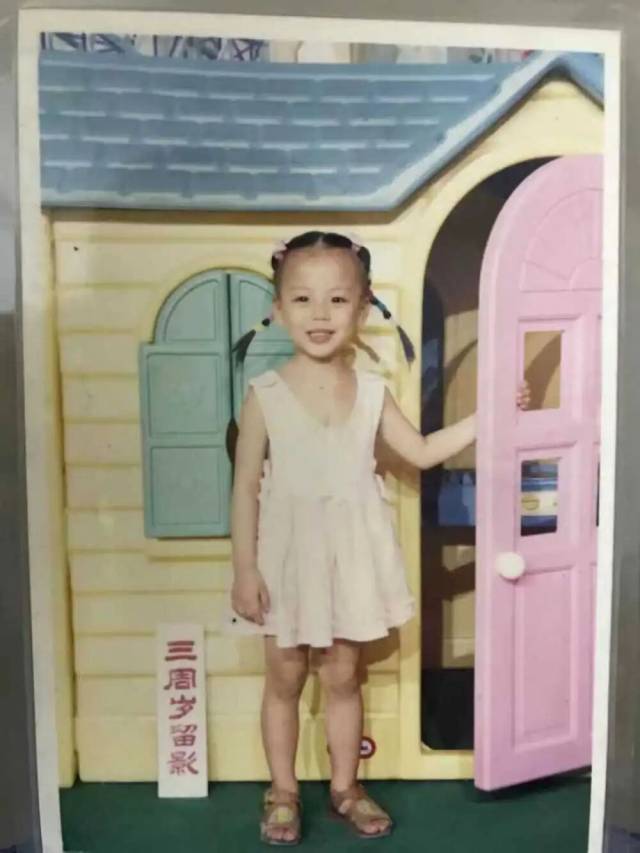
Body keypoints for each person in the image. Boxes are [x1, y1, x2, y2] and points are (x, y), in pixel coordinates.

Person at [229, 231, 530, 845]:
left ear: (362, 309)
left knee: (343, 676)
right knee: (284, 677)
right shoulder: (265, 394)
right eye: (303, 299)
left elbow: (419, 451)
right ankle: (283, 790)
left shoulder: (370, 392)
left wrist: (491, 414)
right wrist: (244, 570)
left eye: (338, 299)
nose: (320, 314)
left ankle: (346, 787)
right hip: (287, 561)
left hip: (350, 558)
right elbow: (245, 490)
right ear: (279, 309)